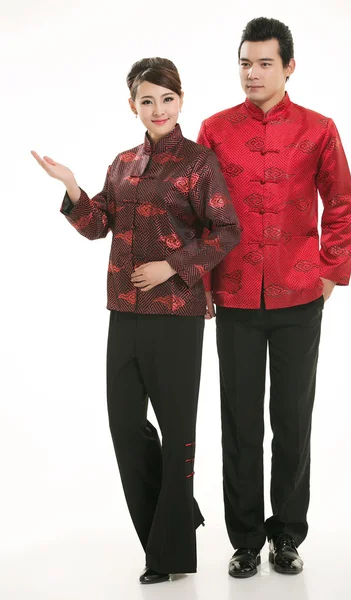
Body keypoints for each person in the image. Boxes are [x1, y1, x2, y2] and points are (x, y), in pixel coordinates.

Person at [31, 57, 241, 584]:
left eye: (166, 98)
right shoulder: (123, 163)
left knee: (177, 432)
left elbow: (226, 230)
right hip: (123, 311)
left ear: (181, 100)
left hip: (177, 314)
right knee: (126, 426)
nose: (158, 109)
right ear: (133, 106)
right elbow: (97, 224)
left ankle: (166, 554)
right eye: (147, 100)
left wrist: (172, 264)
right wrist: (74, 185)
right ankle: (177, 515)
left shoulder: (199, 163)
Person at [198, 17, 351, 576]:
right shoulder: (215, 130)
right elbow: (202, 216)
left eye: (265, 63)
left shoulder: (319, 129)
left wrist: (331, 273)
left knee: (292, 419)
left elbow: (339, 203)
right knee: (239, 421)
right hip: (235, 296)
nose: (253, 73)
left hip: (298, 295)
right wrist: (204, 284)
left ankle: (287, 536)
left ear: (289, 67)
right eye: (245, 62)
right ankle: (244, 539)